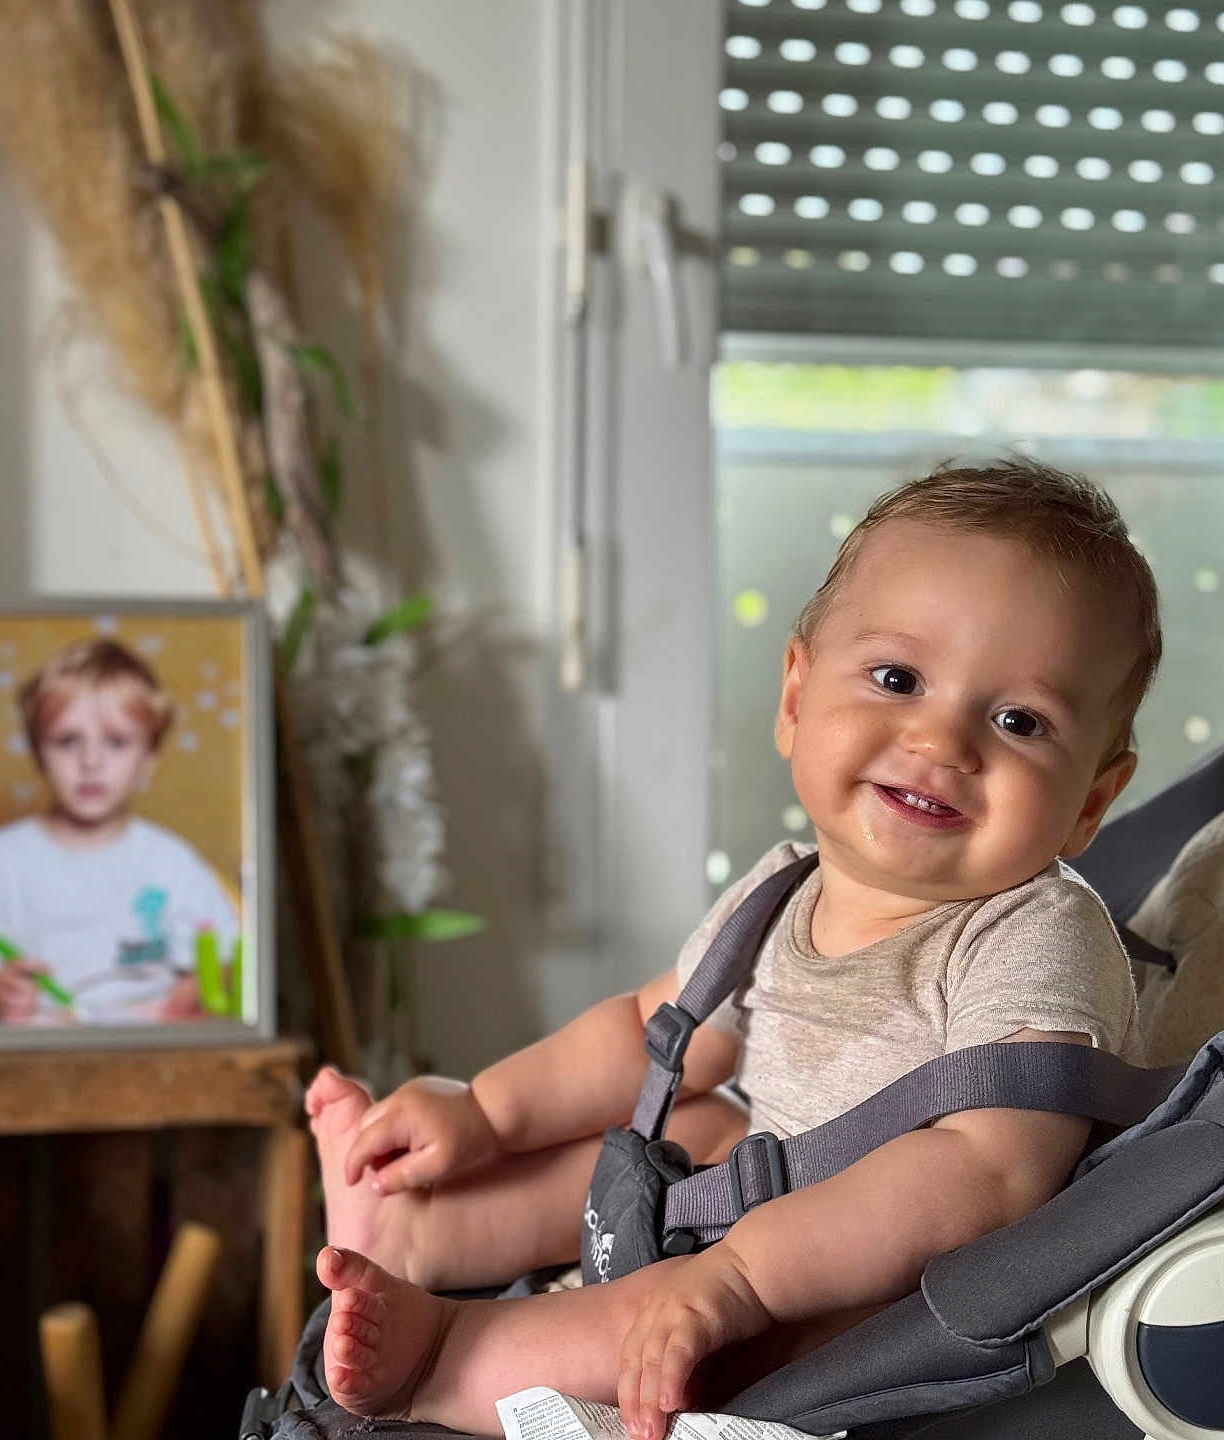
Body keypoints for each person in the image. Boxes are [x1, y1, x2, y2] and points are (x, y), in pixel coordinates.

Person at [305, 458, 1161, 1439]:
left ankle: (447, 1363)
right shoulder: (785, 886)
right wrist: (484, 1114)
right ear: (796, 697)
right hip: (748, 1203)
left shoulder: (1034, 935)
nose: (940, 740)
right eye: (897, 679)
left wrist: (742, 1277)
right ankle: (419, 1226)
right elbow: (653, 1032)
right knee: (693, 1114)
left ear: (1093, 797)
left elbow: (986, 1174)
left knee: (663, 1311)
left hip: (841, 1298)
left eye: (1019, 721)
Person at [0, 637, 240, 1025]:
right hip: (36, 1051)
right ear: (38, 751)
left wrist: (196, 993)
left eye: (116, 742)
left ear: (149, 759)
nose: (91, 761)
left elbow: (223, 958)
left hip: (148, 1053)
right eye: (68, 741)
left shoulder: (171, 862)